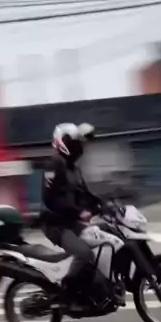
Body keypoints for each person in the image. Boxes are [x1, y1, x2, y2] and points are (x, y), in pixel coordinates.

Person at [40, 122, 113, 309]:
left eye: (80, 143)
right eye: (75, 143)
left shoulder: (73, 169)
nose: (80, 147)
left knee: (107, 237)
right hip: (56, 224)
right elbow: (50, 199)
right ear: (63, 142)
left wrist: (105, 205)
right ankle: (67, 295)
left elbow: (85, 196)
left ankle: (94, 289)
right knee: (83, 253)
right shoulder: (53, 164)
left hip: (72, 222)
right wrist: (78, 212)